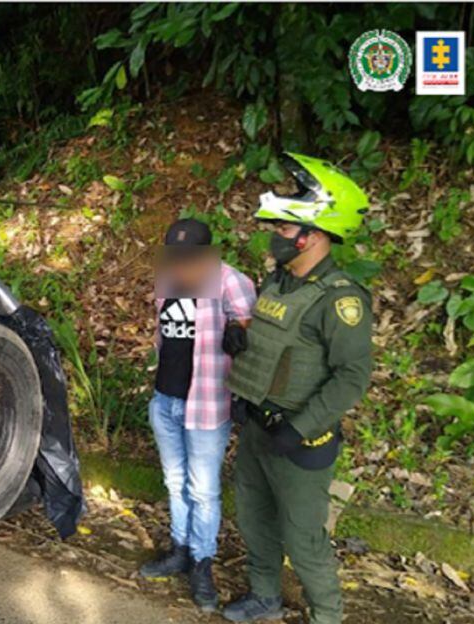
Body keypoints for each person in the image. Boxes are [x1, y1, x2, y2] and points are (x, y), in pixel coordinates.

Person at [222, 153, 374, 624]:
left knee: (304, 539)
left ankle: (327, 615)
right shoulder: (279, 281)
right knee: (255, 521)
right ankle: (264, 597)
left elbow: (352, 377)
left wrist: (301, 427)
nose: (276, 238)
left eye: (285, 231)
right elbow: (276, 344)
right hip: (257, 428)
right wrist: (240, 340)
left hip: (300, 441)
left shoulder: (341, 299)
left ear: (314, 235)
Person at [139, 218, 256, 612]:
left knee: (203, 489)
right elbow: (163, 334)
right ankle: (180, 549)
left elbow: (252, 334)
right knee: (175, 482)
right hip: (166, 399)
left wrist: (240, 334)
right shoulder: (167, 281)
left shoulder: (230, 282)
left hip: (207, 402)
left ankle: (202, 563)